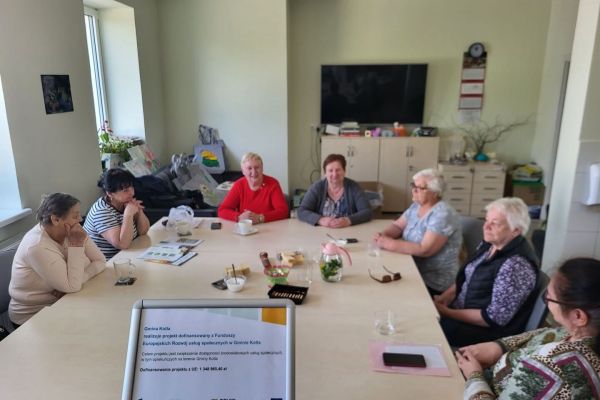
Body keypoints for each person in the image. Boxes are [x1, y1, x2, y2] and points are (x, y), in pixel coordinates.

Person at [456, 257, 600, 400]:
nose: (546, 302)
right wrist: (499, 347)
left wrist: (474, 376)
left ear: (578, 316)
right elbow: (541, 335)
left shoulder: (551, 366)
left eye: (549, 298)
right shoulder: (579, 331)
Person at [434, 197, 539, 347]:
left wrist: (447, 313)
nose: (486, 226)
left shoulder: (516, 265)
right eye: (486, 220)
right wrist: (444, 298)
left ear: (516, 230)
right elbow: (468, 276)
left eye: (495, 223)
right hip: (461, 312)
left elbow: (493, 318)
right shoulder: (491, 245)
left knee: (425, 328)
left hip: (486, 333)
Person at [8, 193, 106, 326]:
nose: (80, 219)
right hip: (33, 317)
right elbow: (73, 286)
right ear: (55, 219)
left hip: (66, 302)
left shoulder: (73, 231)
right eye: (75, 216)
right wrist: (76, 246)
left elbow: (100, 261)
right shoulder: (37, 246)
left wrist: (78, 280)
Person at [373, 168, 461, 295]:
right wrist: (384, 234)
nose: (414, 190)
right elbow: (398, 226)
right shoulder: (417, 205)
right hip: (411, 266)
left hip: (433, 281)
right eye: (413, 186)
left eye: (420, 188)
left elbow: (425, 249)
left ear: (435, 193)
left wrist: (388, 243)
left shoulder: (443, 214)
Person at [84, 168, 150, 259]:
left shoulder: (124, 202)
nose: (132, 193)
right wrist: (128, 215)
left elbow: (143, 231)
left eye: (132, 187)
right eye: (125, 190)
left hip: (128, 254)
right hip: (107, 262)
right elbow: (122, 244)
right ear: (110, 194)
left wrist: (139, 211)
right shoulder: (102, 212)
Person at [297, 154, 372, 228]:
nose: (334, 174)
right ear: (325, 173)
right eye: (330, 170)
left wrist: (348, 220)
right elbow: (301, 211)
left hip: (349, 231)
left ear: (344, 171)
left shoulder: (354, 187)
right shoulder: (317, 187)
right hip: (322, 231)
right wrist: (320, 220)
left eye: (338, 170)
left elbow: (367, 212)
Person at [217, 152, 289, 223]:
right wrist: (238, 217)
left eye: (257, 167)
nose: (254, 172)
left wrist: (260, 218)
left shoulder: (273, 183)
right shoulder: (239, 185)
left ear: (262, 169)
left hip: (270, 227)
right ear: (243, 171)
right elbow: (222, 210)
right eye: (249, 168)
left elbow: (283, 211)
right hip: (246, 228)